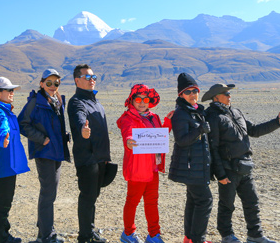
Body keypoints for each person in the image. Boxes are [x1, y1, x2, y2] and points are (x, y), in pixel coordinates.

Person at [202, 84, 280, 243]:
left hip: (245, 166)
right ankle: (227, 236)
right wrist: (220, 173)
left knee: (252, 202)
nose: (229, 96)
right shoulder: (213, 117)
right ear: (216, 97)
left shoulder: (236, 112)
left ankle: (255, 236)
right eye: (225, 93)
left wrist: (276, 123)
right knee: (227, 205)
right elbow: (213, 148)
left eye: (229, 93)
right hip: (228, 169)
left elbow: (253, 130)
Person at [18, 69, 70, 243]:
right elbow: (22, 123)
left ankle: (46, 231)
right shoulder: (35, 101)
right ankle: (46, 236)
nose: (53, 86)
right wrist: (42, 139)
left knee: (50, 193)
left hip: (56, 151)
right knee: (48, 194)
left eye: (56, 83)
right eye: (49, 83)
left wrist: (64, 136)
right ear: (41, 84)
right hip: (45, 152)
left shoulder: (58, 100)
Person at [116, 84, 174, 243]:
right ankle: (128, 233)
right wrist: (129, 141)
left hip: (152, 168)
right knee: (132, 201)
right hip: (137, 169)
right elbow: (127, 132)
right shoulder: (128, 118)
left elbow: (158, 136)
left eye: (145, 99)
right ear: (132, 100)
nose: (142, 102)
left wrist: (167, 122)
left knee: (152, 202)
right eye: (138, 99)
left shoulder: (153, 117)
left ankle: (154, 235)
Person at [0, 76, 30, 243]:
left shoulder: (6, 109)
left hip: (10, 164)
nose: (12, 93)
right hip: (3, 163)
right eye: (8, 90)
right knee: (2, 203)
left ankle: (3, 235)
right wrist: (3, 137)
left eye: (12, 90)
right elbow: (2, 126)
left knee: (5, 202)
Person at [67, 64, 111, 243]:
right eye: (87, 77)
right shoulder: (77, 101)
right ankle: (84, 236)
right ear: (77, 81)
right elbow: (79, 117)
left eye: (93, 77)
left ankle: (90, 231)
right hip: (87, 158)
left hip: (100, 157)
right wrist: (82, 129)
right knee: (87, 196)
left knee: (93, 196)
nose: (91, 80)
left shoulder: (95, 101)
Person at [168, 73, 212, 243]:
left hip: (196, 165)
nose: (193, 95)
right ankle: (197, 239)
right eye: (189, 92)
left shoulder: (194, 111)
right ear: (181, 95)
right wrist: (199, 130)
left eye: (195, 91)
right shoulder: (181, 114)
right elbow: (181, 140)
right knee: (205, 200)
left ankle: (189, 238)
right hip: (190, 166)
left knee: (194, 201)